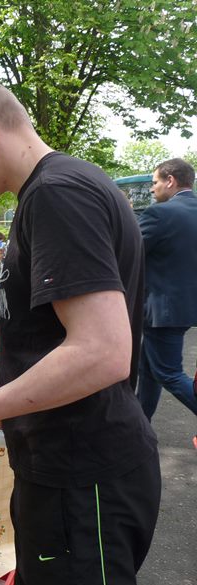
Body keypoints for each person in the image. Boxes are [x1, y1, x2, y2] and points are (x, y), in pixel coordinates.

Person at [0, 77, 159, 585]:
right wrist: (3, 412)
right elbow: (53, 341)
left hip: (80, 478)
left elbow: (102, 351)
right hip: (69, 472)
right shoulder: (63, 187)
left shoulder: (55, 194)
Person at [135, 158, 197, 428]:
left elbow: (129, 252)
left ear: (170, 181)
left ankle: (138, 427)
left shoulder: (160, 214)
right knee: (149, 371)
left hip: (162, 309)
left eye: (155, 182)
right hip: (184, 307)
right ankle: (139, 427)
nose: (152, 189)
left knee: (168, 373)